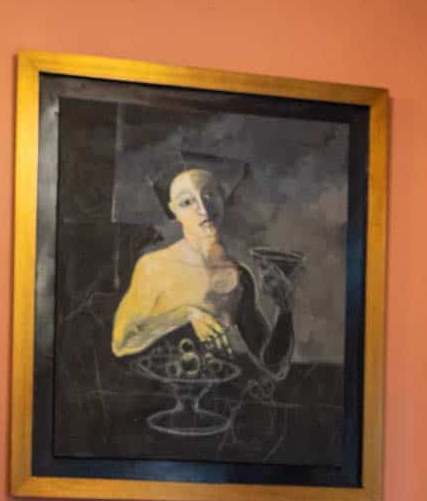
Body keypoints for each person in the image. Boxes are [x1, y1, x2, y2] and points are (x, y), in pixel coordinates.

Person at [109, 160, 294, 377]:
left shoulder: (239, 277)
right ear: (174, 211)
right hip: (161, 394)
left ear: (222, 198)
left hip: (215, 396)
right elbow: (120, 343)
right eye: (187, 202)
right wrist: (186, 314)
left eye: (209, 196)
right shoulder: (154, 266)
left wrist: (285, 309)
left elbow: (274, 366)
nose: (202, 208)